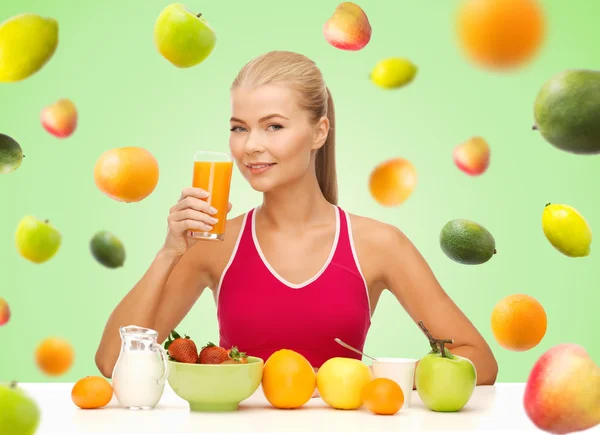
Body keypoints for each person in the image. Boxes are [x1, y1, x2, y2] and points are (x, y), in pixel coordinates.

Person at [95, 50, 498, 387]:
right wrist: (169, 254)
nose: (251, 146)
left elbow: (478, 359)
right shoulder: (214, 246)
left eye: (273, 126)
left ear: (319, 132)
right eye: (239, 128)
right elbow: (112, 362)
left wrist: (385, 378)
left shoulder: (378, 244)